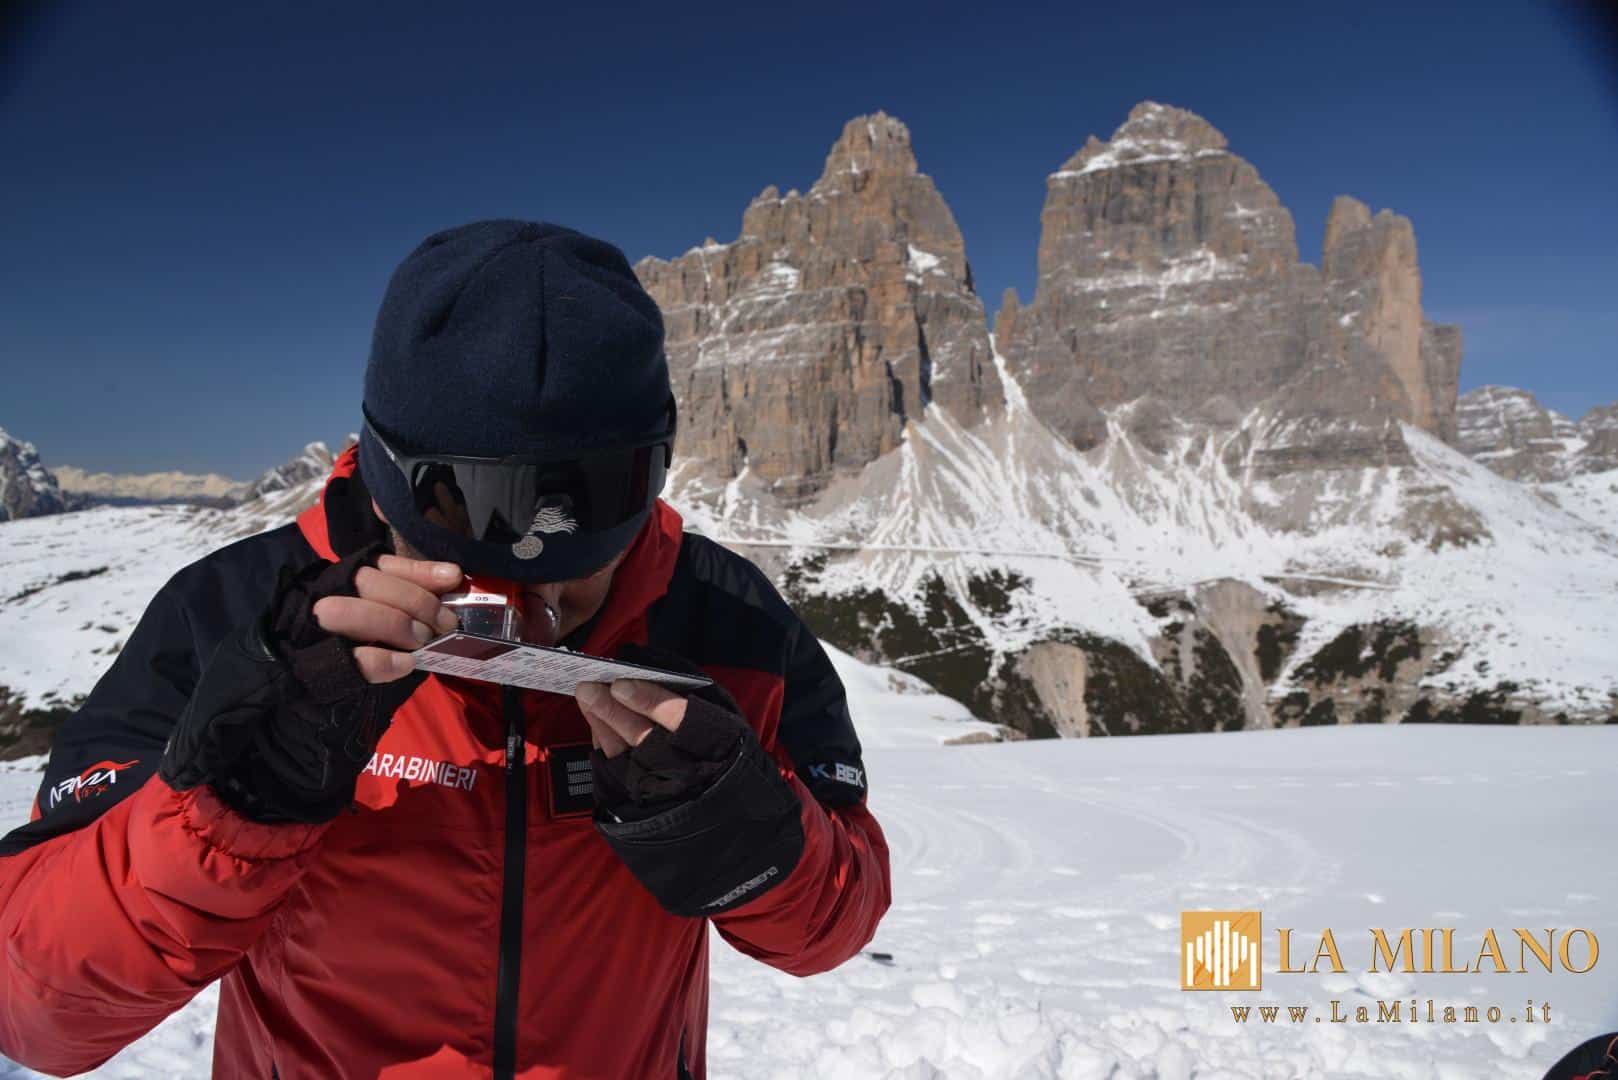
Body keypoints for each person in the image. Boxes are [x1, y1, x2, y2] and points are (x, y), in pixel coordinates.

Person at [0, 221, 891, 1078]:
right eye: (476, 546)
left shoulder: (731, 622)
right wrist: (231, 808)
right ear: (390, 486)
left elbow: (831, 929)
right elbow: (35, 1014)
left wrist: (747, 836)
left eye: (581, 561)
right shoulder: (236, 616)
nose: (534, 612)